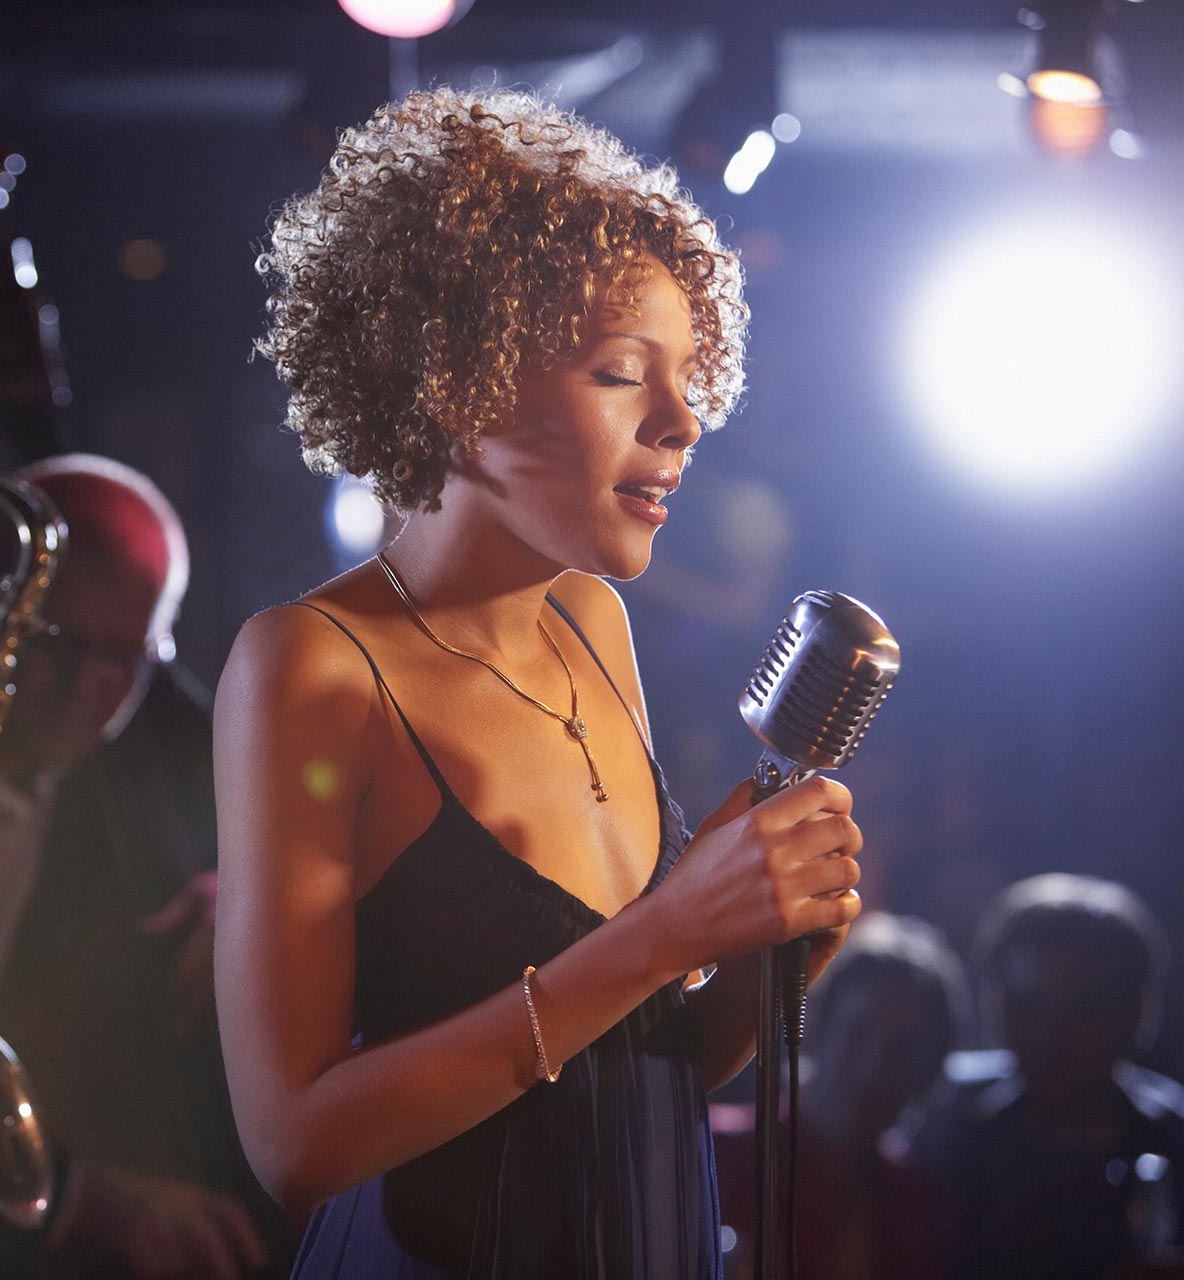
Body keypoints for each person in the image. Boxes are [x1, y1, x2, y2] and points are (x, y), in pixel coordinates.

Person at [213, 87, 869, 1279]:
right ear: (462, 371)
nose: (682, 422)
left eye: (688, 377)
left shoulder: (593, 620)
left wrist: (768, 948)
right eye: (625, 374)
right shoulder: (313, 666)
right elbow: (294, 1140)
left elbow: (640, 1056)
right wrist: (672, 927)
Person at [0, 454, 285, 1279]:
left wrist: (247, 892)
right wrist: (82, 1193)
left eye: (123, 656)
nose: (88, 685)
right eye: (57, 642)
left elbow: (278, 820)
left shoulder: (166, 736)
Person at [901, 873, 1184, 1280]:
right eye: (1027, 1005)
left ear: (1137, 1013)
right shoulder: (941, 1132)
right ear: (994, 1004)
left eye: (1081, 1008)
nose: (1049, 1035)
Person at [711, 912, 963, 1280]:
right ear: (815, 1028)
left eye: (903, 1051)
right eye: (858, 1034)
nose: (873, 1069)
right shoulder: (714, 1154)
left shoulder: (919, 1207)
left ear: (930, 1071)